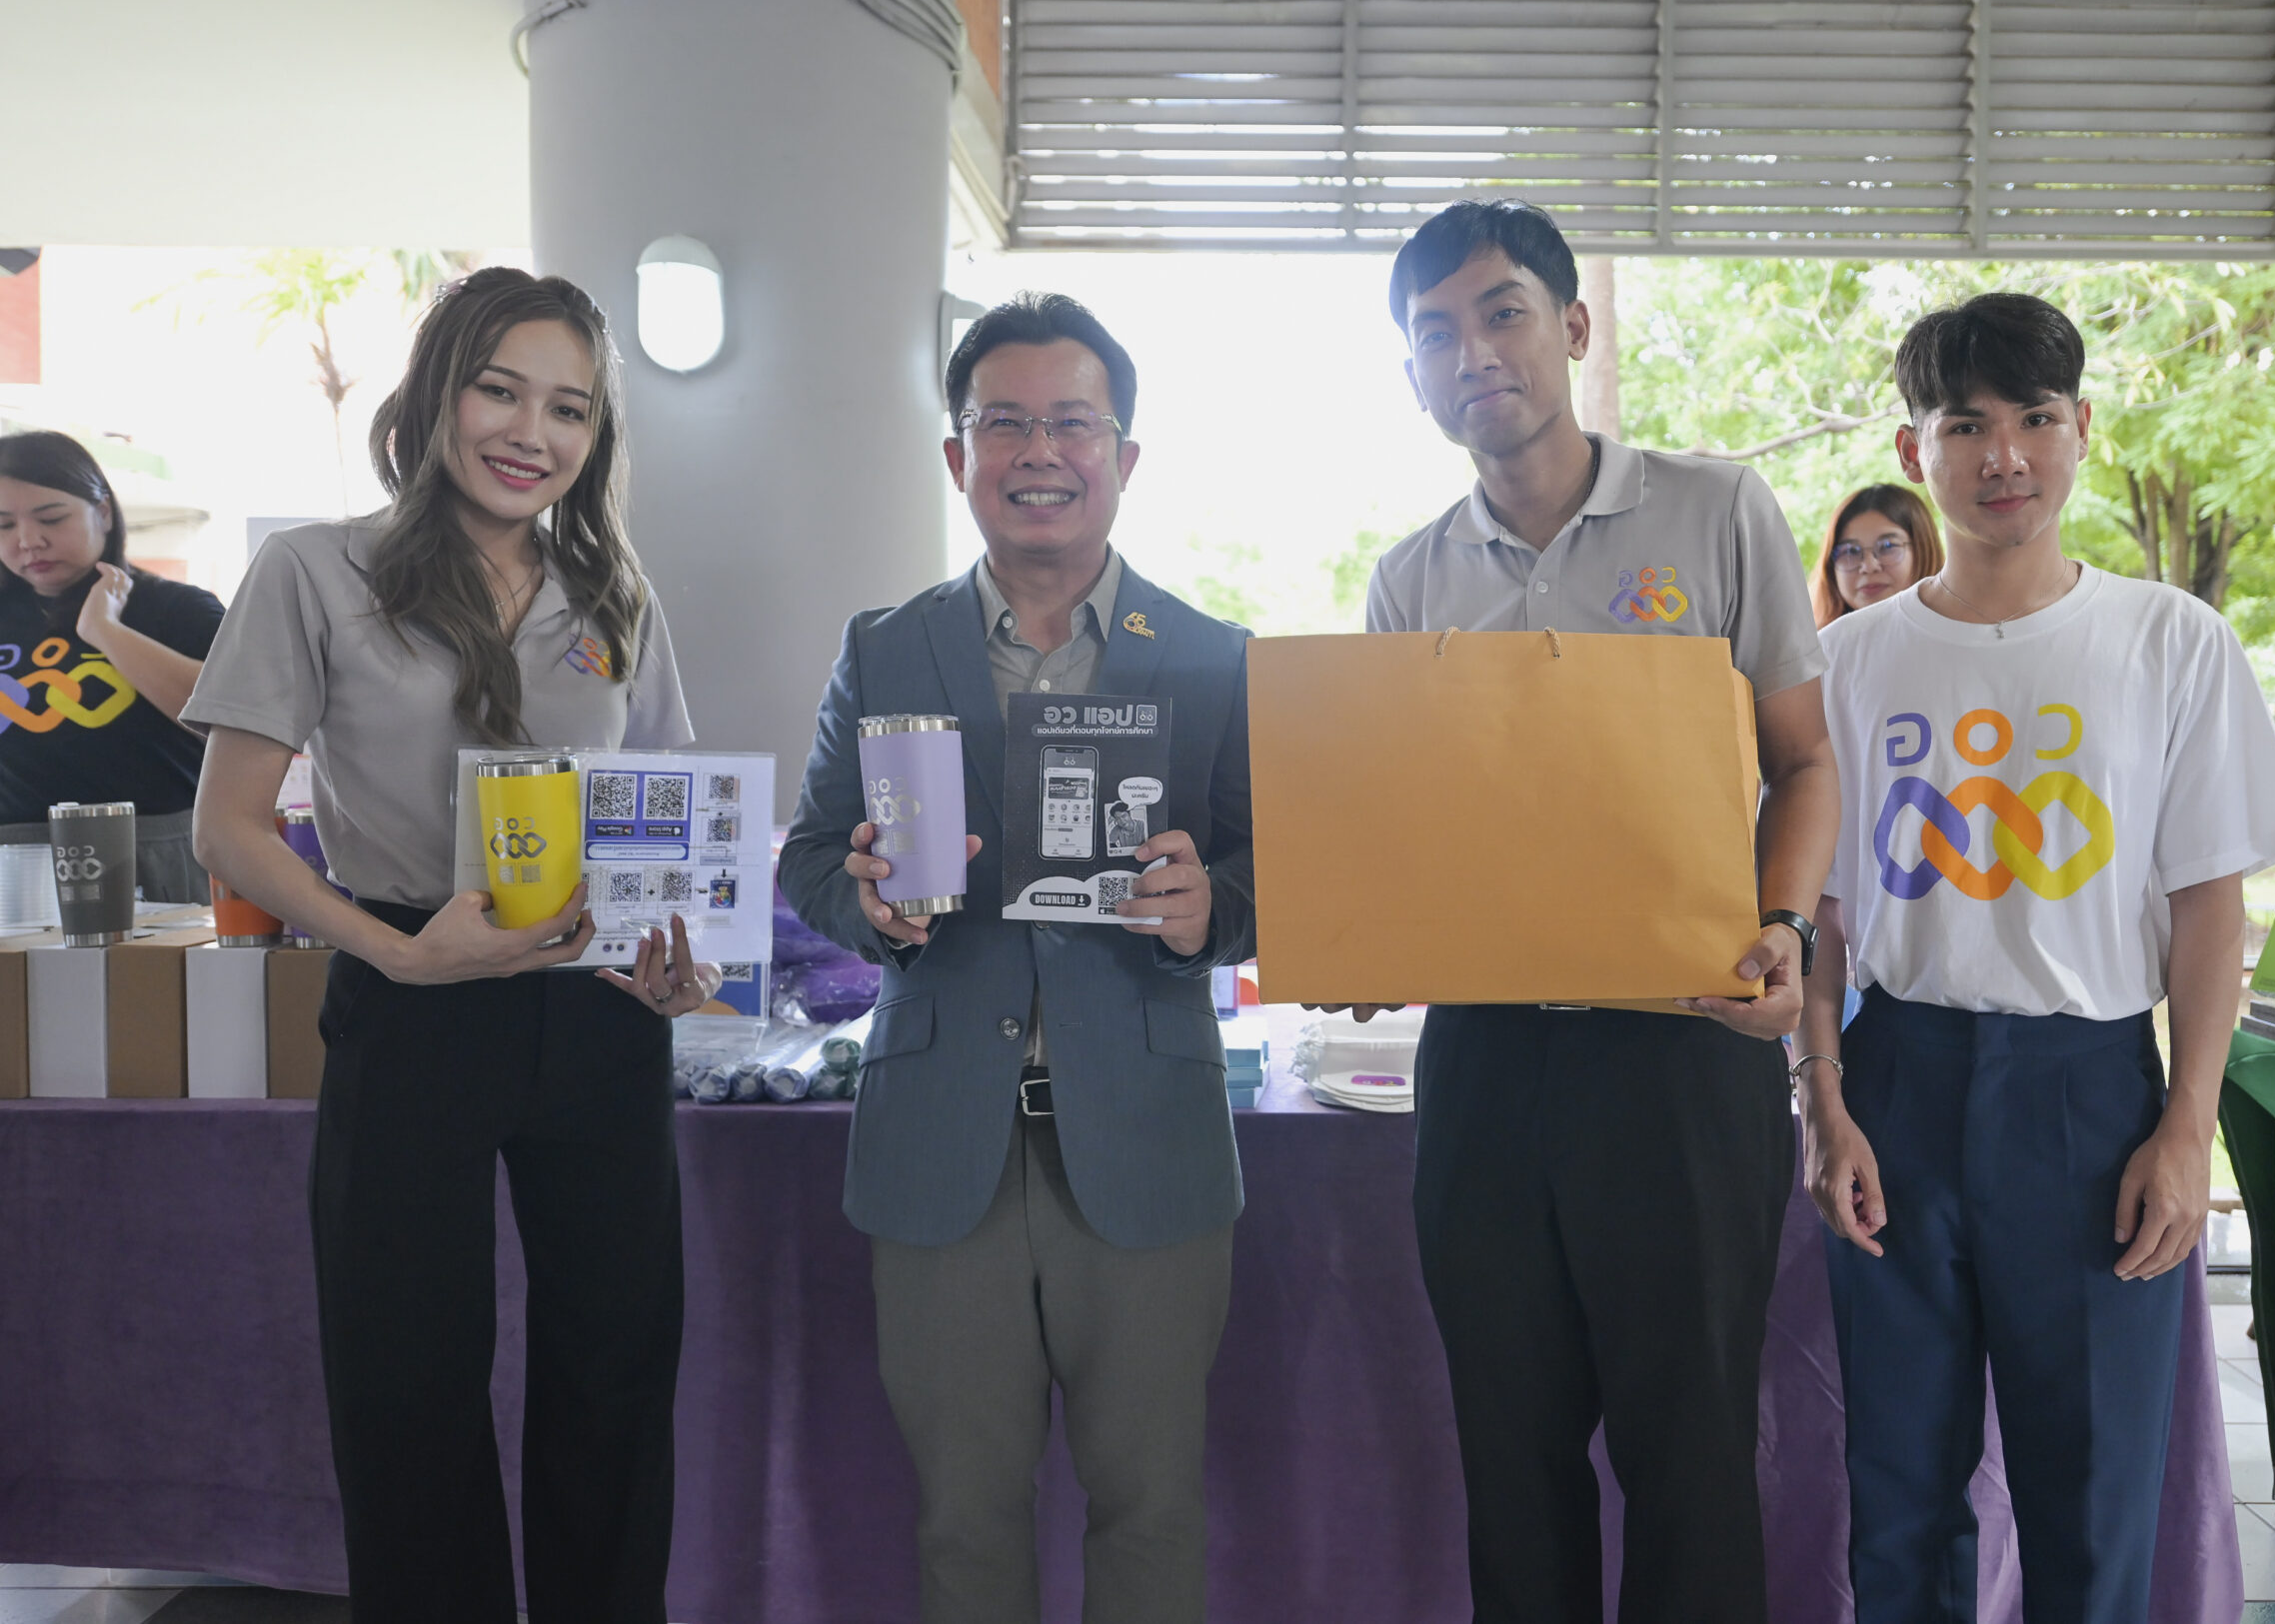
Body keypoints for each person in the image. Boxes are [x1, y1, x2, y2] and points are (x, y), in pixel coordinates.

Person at [186, 268, 707, 1623]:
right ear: (435, 396)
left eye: (570, 409)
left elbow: (663, 811)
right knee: (404, 1379)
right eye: (499, 390)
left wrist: (682, 958)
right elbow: (228, 827)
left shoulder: (614, 590)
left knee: (616, 1369)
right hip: (410, 988)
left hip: (597, 1003)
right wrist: (398, 955)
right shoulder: (317, 570)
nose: (532, 431)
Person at [1794, 292, 2275, 1624]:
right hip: (1895, 1082)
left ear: (2082, 428)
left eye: (2034, 418)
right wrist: (1824, 1098)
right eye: (1966, 424)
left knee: (2091, 1499)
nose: (2005, 455)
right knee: (1896, 1490)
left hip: (2089, 1096)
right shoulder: (1845, 661)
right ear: (1915, 449)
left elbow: (2209, 907)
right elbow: (1821, 917)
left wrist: (2187, 1125)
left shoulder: (2170, 642)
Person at [1362, 199, 1841, 1623]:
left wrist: (1784, 930)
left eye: (1502, 312)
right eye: (1434, 334)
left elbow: (1805, 761)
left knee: (1691, 1456)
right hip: (1486, 1065)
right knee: (1510, 1461)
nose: (1473, 354)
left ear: (1571, 327)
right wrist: (1363, 926)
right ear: (1413, 372)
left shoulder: (1716, 509)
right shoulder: (1410, 577)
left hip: (1685, 1049)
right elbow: (1406, 826)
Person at [779, 293, 1254, 1623]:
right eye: (1003, 422)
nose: (1039, 451)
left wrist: (1207, 906)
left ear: (1125, 454)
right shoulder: (885, 646)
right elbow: (809, 855)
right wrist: (868, 902)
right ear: (957, 455)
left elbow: (1272, 868)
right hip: (945, 1145)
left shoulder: (1212, 657)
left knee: (1150, 1506)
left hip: (1146, 1136)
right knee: (963, 1515)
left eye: (1072, 422)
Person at [0, 429, 225, 900]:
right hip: (16, 863)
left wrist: (104, 630)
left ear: (103, 512)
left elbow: (224, 718)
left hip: (156, 854)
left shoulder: (177, 608)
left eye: (52, 518)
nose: (28, 541)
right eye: (3, 525)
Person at [1812, 481, 1943, 627]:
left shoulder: (1953, 633)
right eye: (1850, 551)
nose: (1868, 567)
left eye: (1888, 546)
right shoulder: (1822, 639)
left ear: (1923, 551)